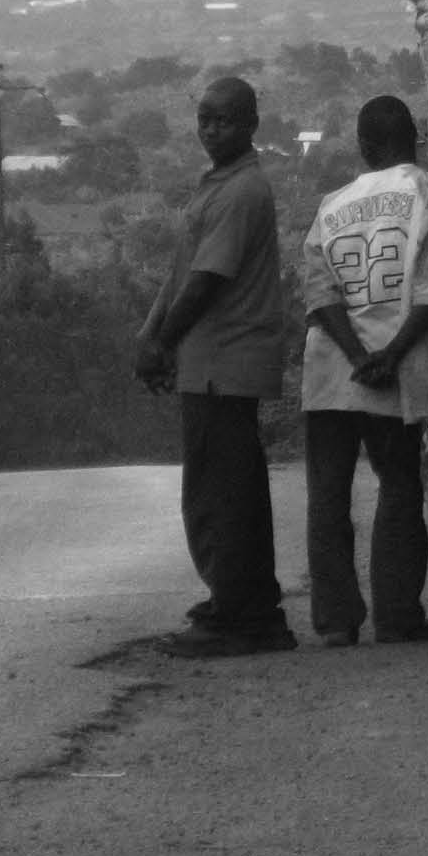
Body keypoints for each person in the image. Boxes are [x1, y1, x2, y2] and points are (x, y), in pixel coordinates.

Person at [135, 77, 296, 658]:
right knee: (222, 487)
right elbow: (182, 273)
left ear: (251, 123)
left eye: (224, 120)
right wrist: (153, 337)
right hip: (206, 360)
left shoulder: (240, 192)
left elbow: (207, 281)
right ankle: (242, 603)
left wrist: (164, 341)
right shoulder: (215, 187)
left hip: (227, 360)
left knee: (223, 493)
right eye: (204, 119)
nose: (210, 130)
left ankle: (242, 614)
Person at [299, 95, 428, 647]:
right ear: (412, 138)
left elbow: (319, 296)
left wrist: (353, 354)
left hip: (331, 370)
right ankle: (396, 616)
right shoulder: (426, 191)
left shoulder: (331, 204)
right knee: (398, 484)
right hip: (392, 371)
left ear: (364, 147)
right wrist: (388, 356)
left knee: (327, 493)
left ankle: (336, 621)